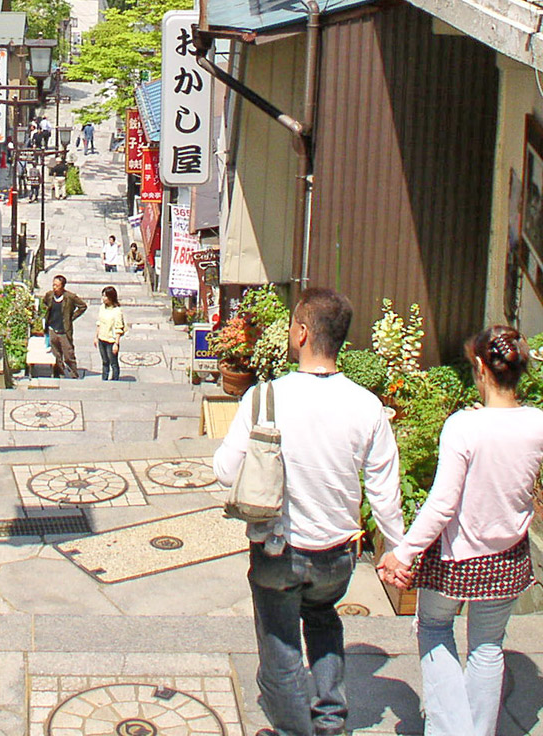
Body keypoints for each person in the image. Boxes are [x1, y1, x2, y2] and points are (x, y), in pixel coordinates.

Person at [213, 287, 404, 736]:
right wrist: (397, 550)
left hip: (279, 549)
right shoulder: (367, 406)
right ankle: (331, 720)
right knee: (323, 623)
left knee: (280, 650)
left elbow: (225, 471)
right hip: (337, 554)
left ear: (300, 332)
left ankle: (295, 730)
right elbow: (384, 491)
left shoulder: (265, 399)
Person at [379, 326, 543, 736]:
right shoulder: (537, 424)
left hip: (458, 559)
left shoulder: (463, 427)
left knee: (435, 630)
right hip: (508, 558)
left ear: (482, 368)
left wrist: (404, 551)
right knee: (487, 648)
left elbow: (442, 504)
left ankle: (451, 729)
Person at [42, 274, 87, 379]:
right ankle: (60, 374)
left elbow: (82, 306)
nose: (54, 287)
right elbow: (44, 303)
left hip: (64, 331)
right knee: (56, 355)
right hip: (52, 329)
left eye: (57, 285)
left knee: (68, 354)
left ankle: (74, 375)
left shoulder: (70, 297)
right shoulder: (49, 295)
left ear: (62, 286)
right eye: (53, 285)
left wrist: (71, 317)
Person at [94, 285, 126, 380]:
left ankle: (115, 380)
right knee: (104, 361)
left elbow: (118, 328)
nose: (103, 298)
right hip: (102, 338)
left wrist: (116, 343)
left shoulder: (117, 311)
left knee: (113, 363)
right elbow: (99, 323)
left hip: (111, 341)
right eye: (102, 296)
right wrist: (96, 337)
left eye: (105, 296)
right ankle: (104, 378)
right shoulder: (102, 308)